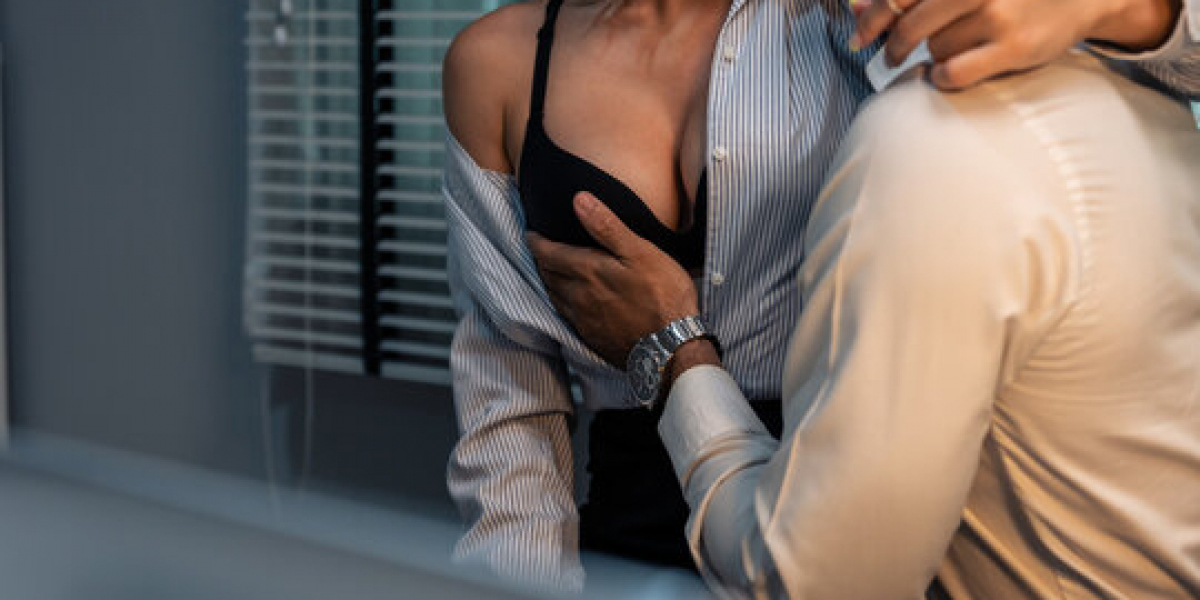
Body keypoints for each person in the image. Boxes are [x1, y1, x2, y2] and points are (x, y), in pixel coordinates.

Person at [441, 0, 1199, 590]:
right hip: (628, 543)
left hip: (859, 517)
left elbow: (1157, 75)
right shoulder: (496, 63)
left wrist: (1132, 9)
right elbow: (512, 399)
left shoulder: (855, 16)